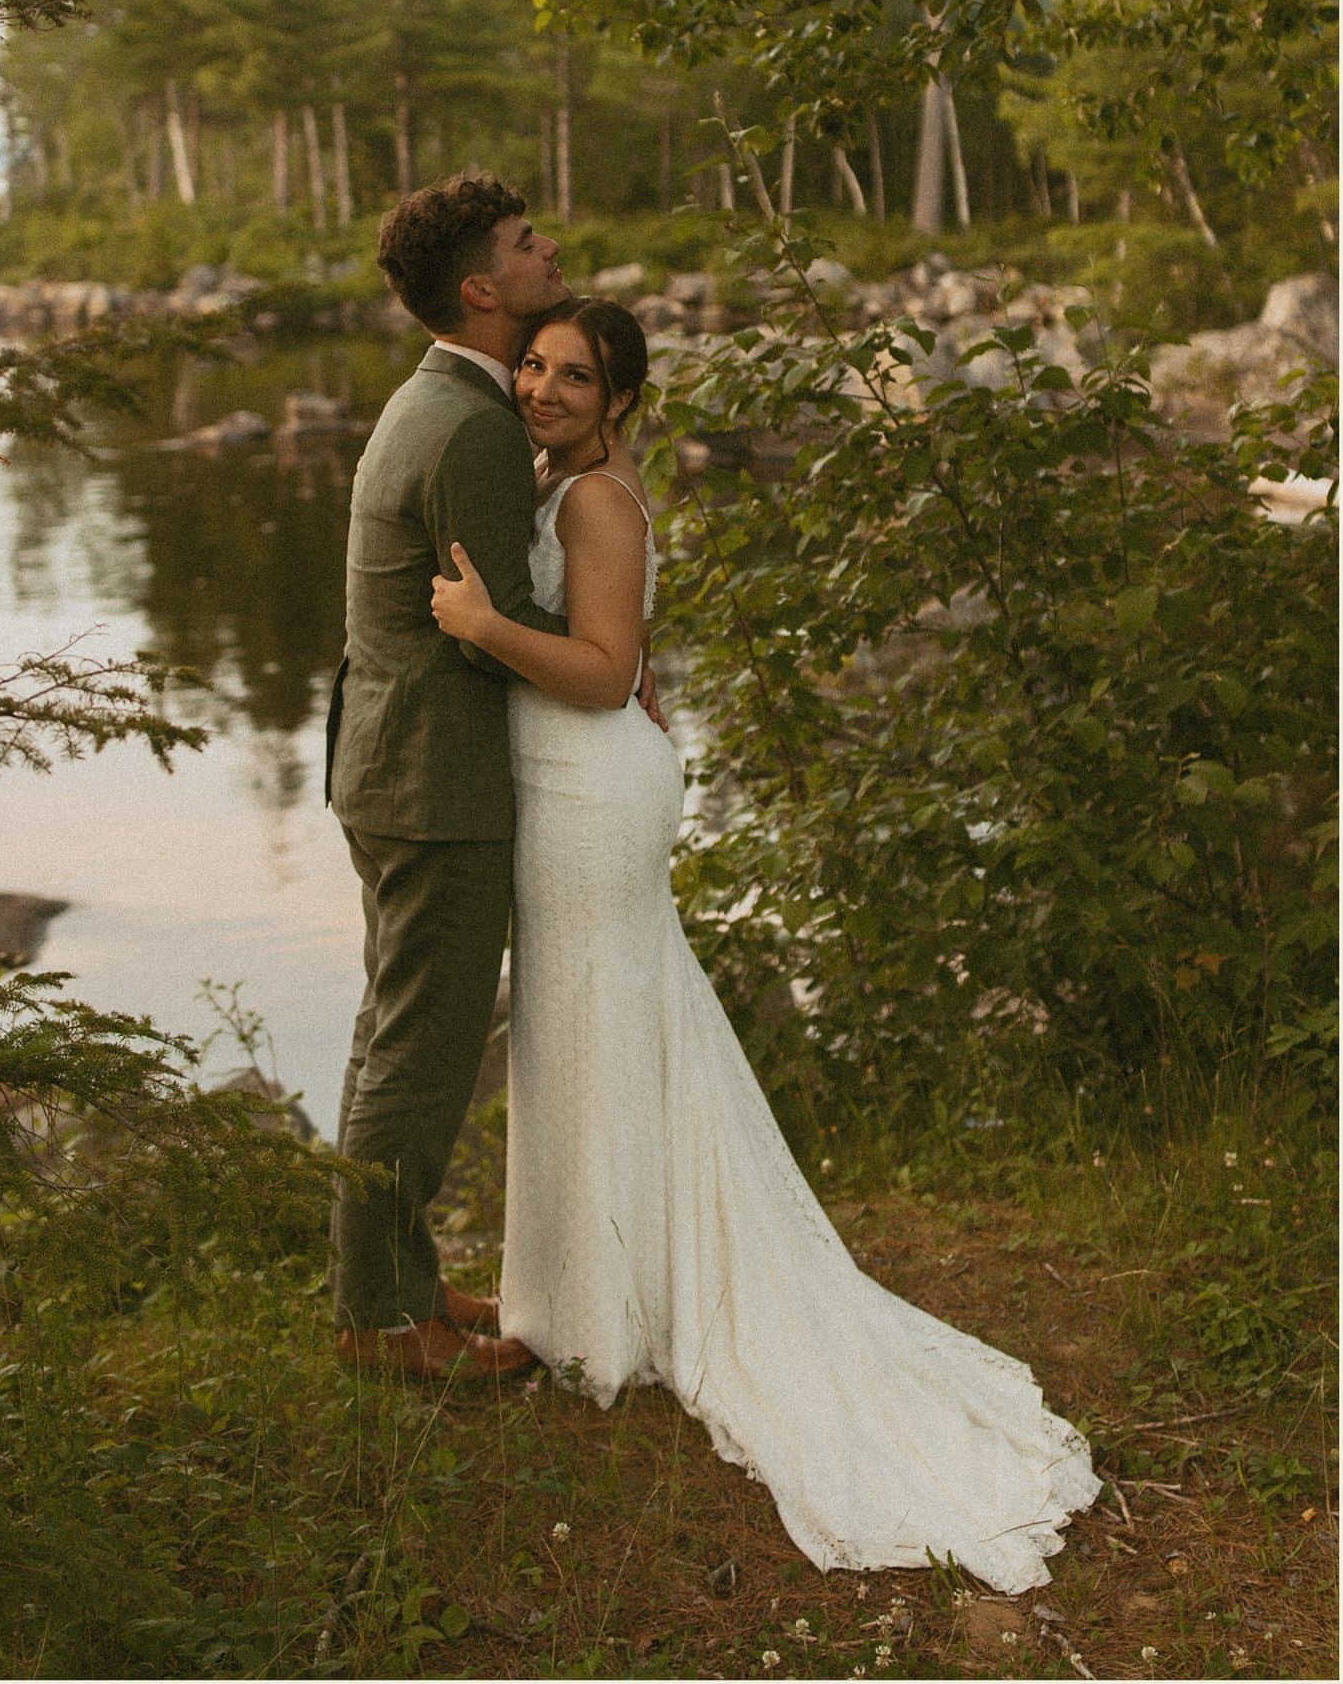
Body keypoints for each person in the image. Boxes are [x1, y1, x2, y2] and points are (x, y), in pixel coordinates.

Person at [430, 296, 1102, 1594]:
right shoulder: (556, 483)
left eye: (577, 377)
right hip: (580, 785)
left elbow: (601, 662)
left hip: (583, 796)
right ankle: (588, 1299)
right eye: (533, 364)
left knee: (591, 1023)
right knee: (590, 1027)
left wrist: (484, 630)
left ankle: (601, 1312)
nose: (546, 389)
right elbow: (638, 666)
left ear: (621, 402)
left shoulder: (596, 500)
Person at [325, 175, 660, 1382]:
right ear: (482, 289)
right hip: (436, 781)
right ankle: (382, 1322)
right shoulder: (470, 426)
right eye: (527, 245)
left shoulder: (436, 402)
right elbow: (499, 617)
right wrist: (613, 660)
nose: (548, 249)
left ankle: (393, 1282)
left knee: (393, 1034)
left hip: (394, 764)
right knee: (421, 1047)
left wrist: (618, 645)